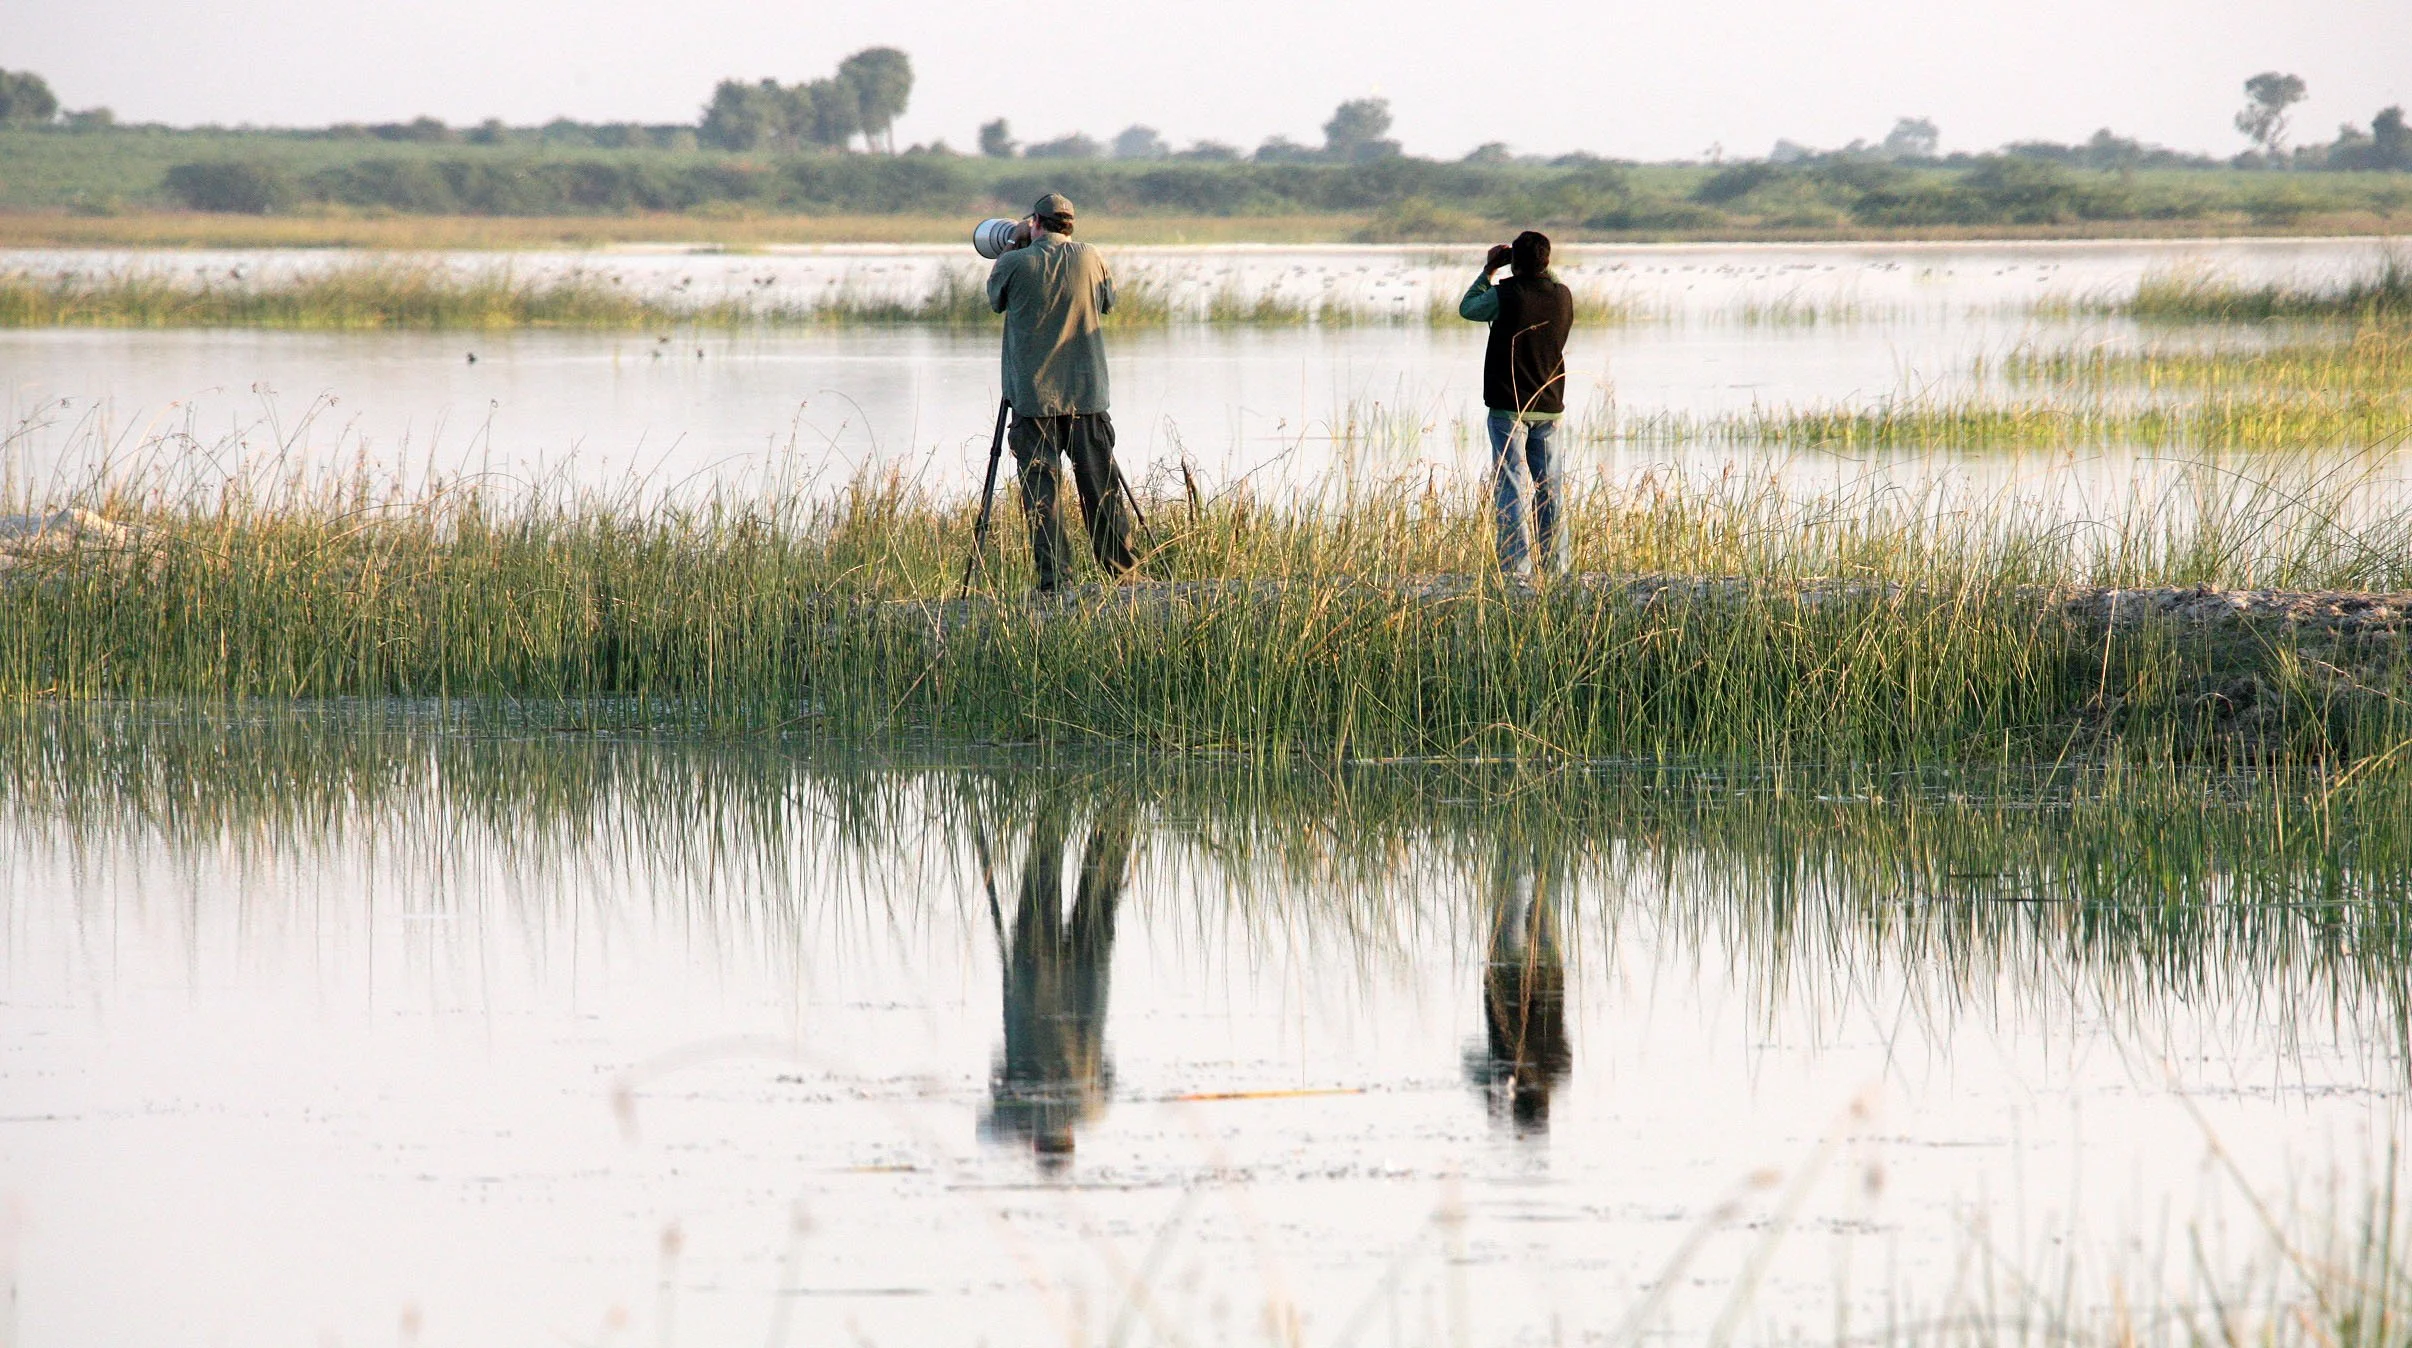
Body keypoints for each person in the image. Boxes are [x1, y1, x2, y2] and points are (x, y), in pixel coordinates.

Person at [984, 192, 1136, 594]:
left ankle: (1055, 583)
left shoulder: (1014, 262)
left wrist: (1017, 246)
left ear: (1036, 222)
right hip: (1087, 397)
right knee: (1100, 490)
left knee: (1042, 494)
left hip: (1033, 401)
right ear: (1070, 224)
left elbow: (994, 298)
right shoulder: (1091, 257)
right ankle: (1123, 576)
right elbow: (1109, 302)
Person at [1459, 230, 1575, 580]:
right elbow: (1549, 280)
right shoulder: (1563, 296)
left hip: (1509, 406)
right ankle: (1556, 567)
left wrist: (1489, 270)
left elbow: (1468, 308)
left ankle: (1517, 569)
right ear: (1547, 261)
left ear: (1513, 263)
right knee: (1549, 486)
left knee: (1511, 484)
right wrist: (1540, 269)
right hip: (1550, 405)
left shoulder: (1504, 294)